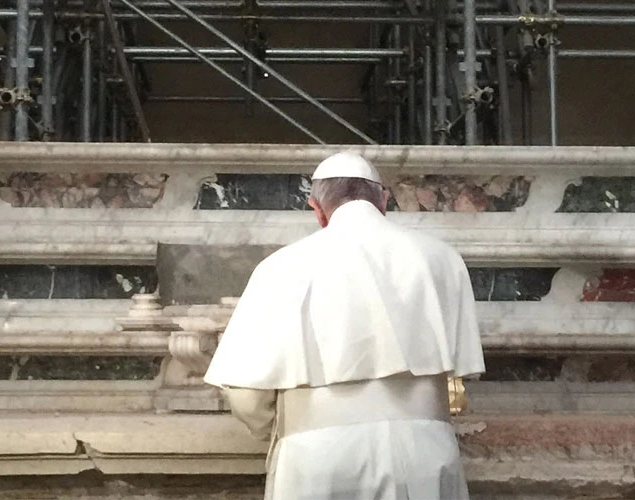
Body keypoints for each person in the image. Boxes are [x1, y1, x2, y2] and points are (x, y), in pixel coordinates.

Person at [203, 152, 485, 500]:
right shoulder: (442, 258)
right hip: (424, 450)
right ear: (383, 200)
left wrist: (270, 429)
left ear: (316, 209)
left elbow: (245, 394)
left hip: (318, 455)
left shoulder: (281, 267)